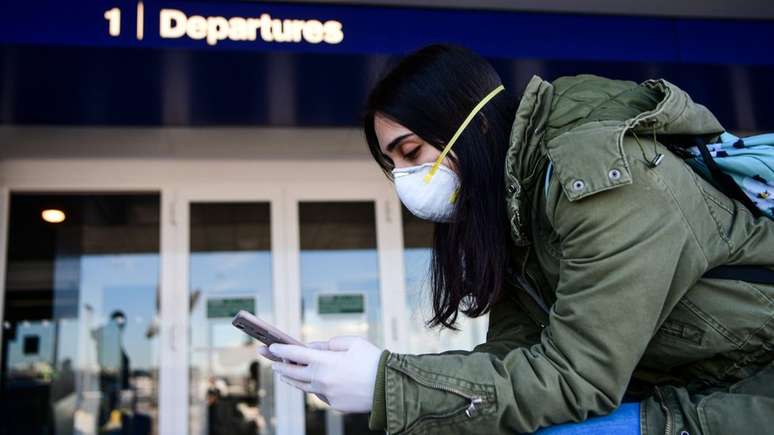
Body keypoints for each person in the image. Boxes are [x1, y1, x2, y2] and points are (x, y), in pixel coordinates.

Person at [259, 44, 774, 434]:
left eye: (411, 152)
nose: (403, 180)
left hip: (751, 391)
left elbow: (575, 378)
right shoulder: (514, 214)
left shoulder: (601, 182)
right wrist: (384, 372)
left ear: (474, 126)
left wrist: (387, 384)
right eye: (391, 164)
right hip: (695, 389)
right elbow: (513, 354)